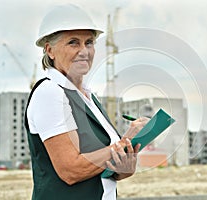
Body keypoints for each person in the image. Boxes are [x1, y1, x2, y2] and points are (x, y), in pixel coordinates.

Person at [25, 4, 148, 200]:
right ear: (50, 50)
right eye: (73, 42)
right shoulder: (50, 93)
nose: (84, 51)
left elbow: (109, 170)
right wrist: (123, 143)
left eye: (89, 43)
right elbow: (71, 170)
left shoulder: (89, 98)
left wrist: (125, 164)